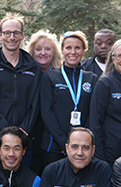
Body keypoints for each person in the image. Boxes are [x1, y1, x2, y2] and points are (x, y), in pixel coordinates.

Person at [0, 14, 41, 169]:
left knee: (21, 184)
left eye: (16, 33)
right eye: (7, 33)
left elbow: (36, 102)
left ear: (22, 36)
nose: (12, 37)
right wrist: (6, 131)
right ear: (0, 35)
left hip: (23, 142)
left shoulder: (33, 67)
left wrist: (22, 131)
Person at [39, 31, 98, 167]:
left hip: (82, 147)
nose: (73, 52)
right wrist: (63, 142)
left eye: (77, 48)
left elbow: (93, 113)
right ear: (62, 50)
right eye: (68, 48)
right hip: (54, 145)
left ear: (83, 50)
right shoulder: (50, 77)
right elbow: (46, 112)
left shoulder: (91, 78)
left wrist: (81, 142)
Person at [24, 30, 62, 174]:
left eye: (47, 49)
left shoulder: (61, 75)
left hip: (52, 136)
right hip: (30, 132)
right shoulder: (25, 74)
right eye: (38, 49)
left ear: (54, 52)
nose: (43, 53)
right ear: (32, 52)